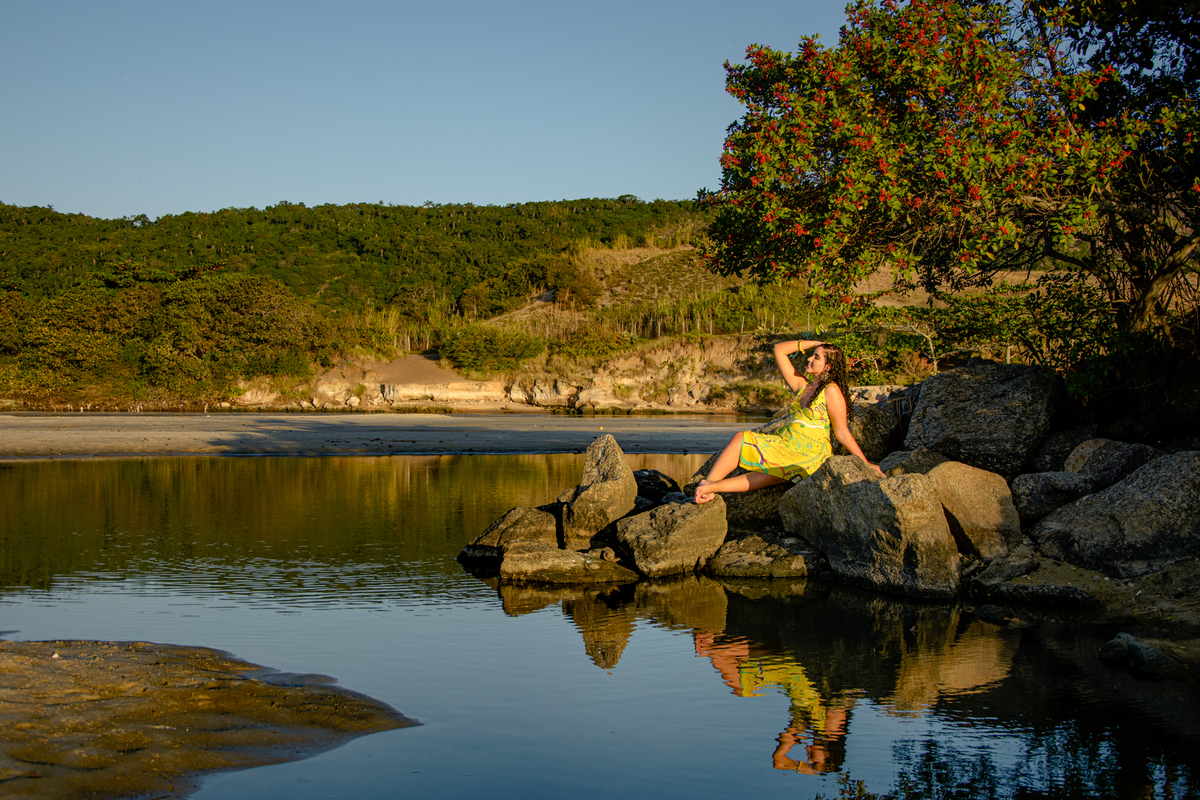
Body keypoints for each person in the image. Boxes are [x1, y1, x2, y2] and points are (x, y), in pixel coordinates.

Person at [694, 338, 883, 504]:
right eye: (812, 355)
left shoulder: (831, 391)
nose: (809, 359)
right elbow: (779, 350)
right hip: (786, 443)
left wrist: (864, 464)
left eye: (816, 357)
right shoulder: (804, 387)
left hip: (810, 452)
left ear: (828, 366)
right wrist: (816, 344)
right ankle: (709, 484)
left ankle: (714, 487)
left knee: (776, 473)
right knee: (741, 438)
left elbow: (842, 432)